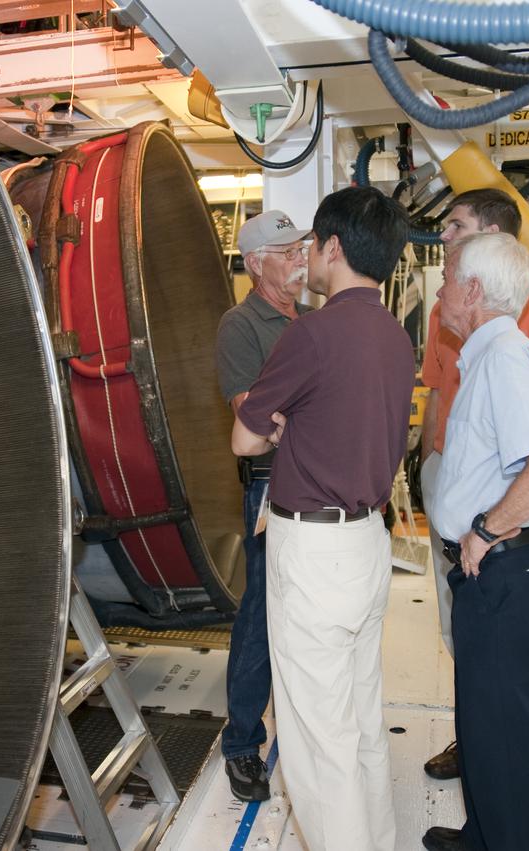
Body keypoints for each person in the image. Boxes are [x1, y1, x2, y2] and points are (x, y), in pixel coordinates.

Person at [232, 186, 413, 851]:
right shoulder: (396, 337)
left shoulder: (311, 333)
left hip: (313, 553)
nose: (305, 253)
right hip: (368, 544)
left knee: (315, 737)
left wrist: (279, 426)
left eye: (309, 241)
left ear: (331, 248)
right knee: (361, 719)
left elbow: (243, 440)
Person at [419, 188, 529, 781]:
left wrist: (513, 510)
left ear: (492, 239)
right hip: (457, 486)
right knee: (468, 643)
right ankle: (477, 745)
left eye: (456, 227)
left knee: (500, 669)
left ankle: (491, 748)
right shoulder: (459, 321)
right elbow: (440, 395)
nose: (445, 239)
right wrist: (429, 472)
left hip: (501, 515)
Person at [213, 209, 312, 802]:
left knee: (308, 613)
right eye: (286, 251)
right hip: (270, 487)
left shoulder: (316, 322)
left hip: (318, 485)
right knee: (260, 615)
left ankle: (302, 729)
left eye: (301, 247)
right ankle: (242, 744)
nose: (300, 257)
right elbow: (255, 417)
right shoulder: (241, 326)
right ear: (255, 265)